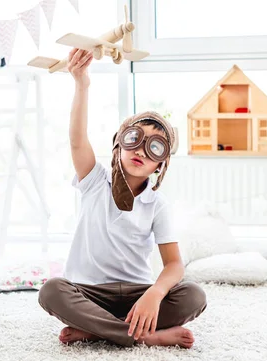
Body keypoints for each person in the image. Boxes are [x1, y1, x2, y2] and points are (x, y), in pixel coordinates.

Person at [38, 48, 207, 349]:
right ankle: (144, 337)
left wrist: (154, 295)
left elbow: (174, 266)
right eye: (134, 139)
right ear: (118, 144)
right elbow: (77, 139)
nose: (141, 150)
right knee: (51, 290)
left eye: (154, 148)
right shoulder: (95, 181)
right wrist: (82, 84)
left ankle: (98, 331)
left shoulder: (157, 204)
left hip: (137, 295)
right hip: (89, 293)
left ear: (160, 165)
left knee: (194, 296)